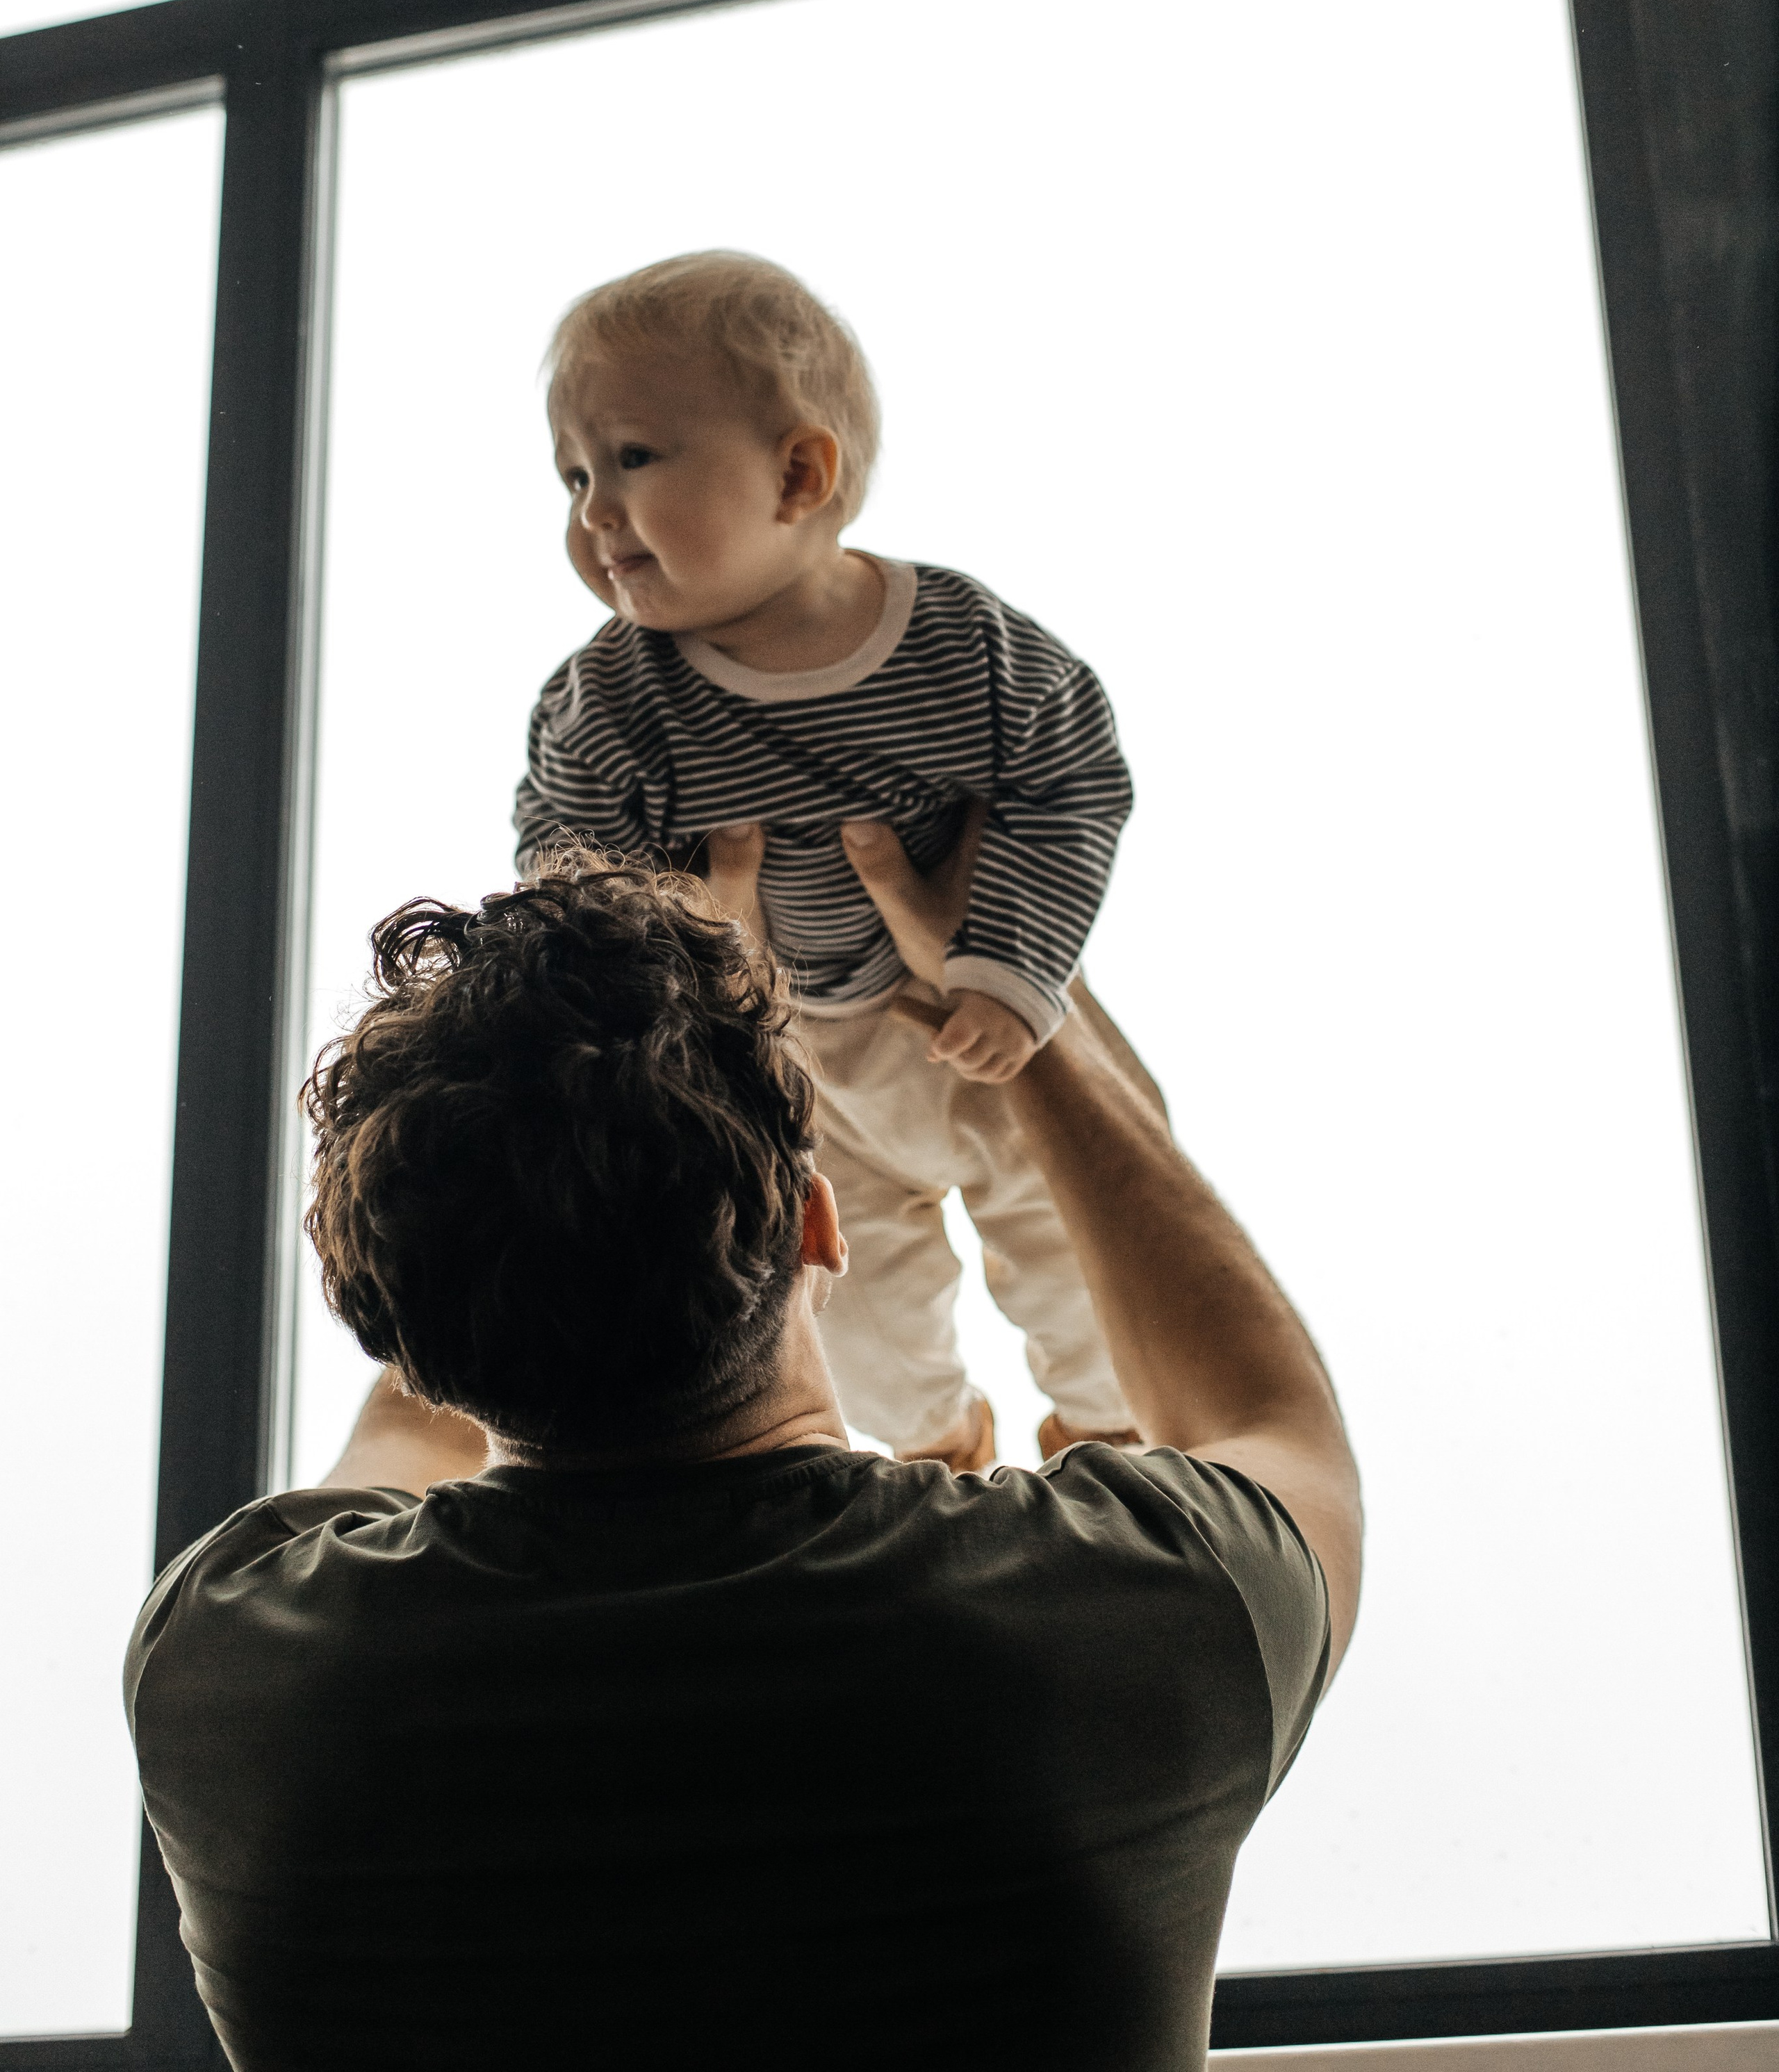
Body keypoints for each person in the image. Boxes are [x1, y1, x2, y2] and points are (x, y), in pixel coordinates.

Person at [124, 839, 1361, 2072]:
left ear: (388, 1309)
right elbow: (1274, 1418)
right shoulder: (1132, 1608)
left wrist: (514, 1161)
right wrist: (1018, 987)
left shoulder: (233, 1667)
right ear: (820, 1222)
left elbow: (409, 1415)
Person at [515, 246, 1142, 1469]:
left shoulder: (957, 647)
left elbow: (1070, 778)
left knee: (1077, 1245)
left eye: (632, 458)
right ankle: (938, 1455)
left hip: (971, 1023)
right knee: (847, 1300)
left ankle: (1110, 1437)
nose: (593, 511)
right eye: (574, 474)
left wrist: (1008, 970)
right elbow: (566, 862)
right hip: (788, 1055)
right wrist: (676, 943)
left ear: (799, 474)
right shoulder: (612, 702)